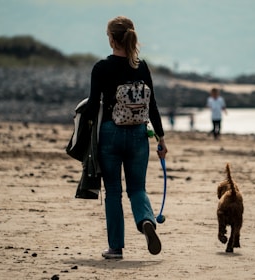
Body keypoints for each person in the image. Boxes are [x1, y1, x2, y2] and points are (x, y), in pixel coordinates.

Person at [84, 16, 167, 259]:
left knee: (113, 191)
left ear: (111, 39)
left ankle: (116, 248)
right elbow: (152, 105)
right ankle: (145, 221)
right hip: (139, 134)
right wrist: (161, 138)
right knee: (137, 188)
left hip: (110, 134)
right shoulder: (141, 66)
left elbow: (91, 106)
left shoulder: (101, 67)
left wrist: (84, 131)